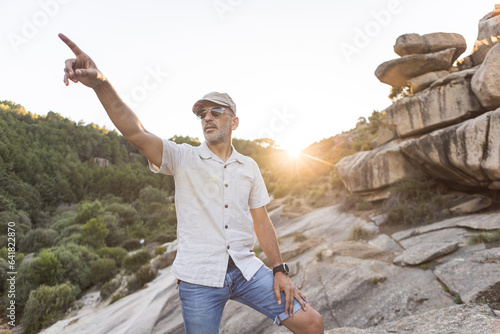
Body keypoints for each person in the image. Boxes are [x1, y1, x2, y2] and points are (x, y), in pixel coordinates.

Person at [59, 33, 324, 334]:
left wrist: (279, 271)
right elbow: (135, 131)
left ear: (234, 121)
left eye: (216, 112)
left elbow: (262, 222)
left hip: (246, 270)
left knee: (312, 323)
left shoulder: (249, 166)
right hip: (198, 279)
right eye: (201, 114)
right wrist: (101, 83)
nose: (207, 117)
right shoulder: (182, 157)